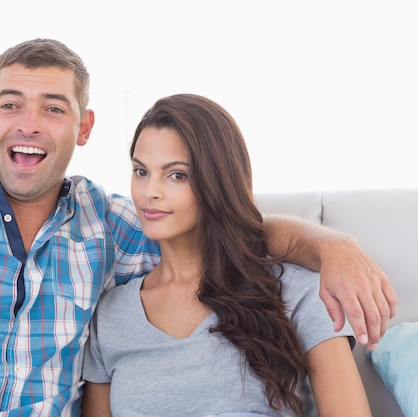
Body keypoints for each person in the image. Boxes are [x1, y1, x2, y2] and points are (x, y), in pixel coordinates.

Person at [0, 39, 394, 416]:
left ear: (84, 128)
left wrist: (329, 244)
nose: (28, 123)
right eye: (11, 104)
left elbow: (222, 230)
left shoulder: (109, 224)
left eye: (53, 108)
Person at [81, 94, 372, 417]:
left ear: (217, 181)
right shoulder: (110, 315)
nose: (150, 191)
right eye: (141, 171)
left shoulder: (297, 291)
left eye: (177, 175)